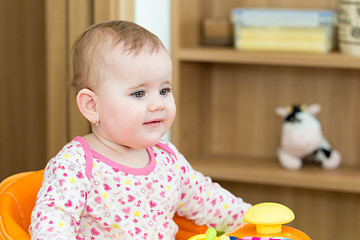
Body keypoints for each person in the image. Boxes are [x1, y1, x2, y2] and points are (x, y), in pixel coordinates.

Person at [29, 20, 251, 240]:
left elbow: (208, 200)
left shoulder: (168, 159)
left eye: (164, 90)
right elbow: (51, 226)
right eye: (139, 93)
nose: (158, 104)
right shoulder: (75, 165)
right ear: (92, 106)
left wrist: (252, 219)